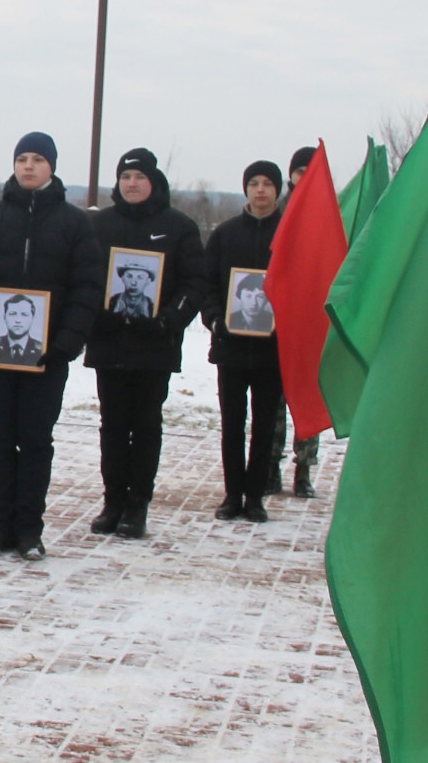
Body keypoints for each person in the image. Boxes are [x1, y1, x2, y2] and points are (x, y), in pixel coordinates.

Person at [0, 132, 102, 560]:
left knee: (35, 442)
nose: (29, 166)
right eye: (22, 159)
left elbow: (86, 289)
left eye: (38, 159)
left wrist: (64, 345)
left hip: (46, 359)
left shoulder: (75, 225)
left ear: (52, 166)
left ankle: (29, 530)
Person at [84, 147, 208, 538]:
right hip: (109, 342)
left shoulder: (178, 226)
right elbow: (84, 276)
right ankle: (113, 502)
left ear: (153, 182)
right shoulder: (99, 225)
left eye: (139, 177)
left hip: (155, 346)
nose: (132, 184)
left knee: (146, 425)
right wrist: (93, 314)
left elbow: (196, 282)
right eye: (125, 178)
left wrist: (171, 319)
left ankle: (138, 505)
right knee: (113, 426)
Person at [203, 159, 285, 523]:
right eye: (254, 183)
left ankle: (255, 496)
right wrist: (216, 320)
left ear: (278, 190)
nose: (261, 190)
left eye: (268, 183)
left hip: (272, 349)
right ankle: (232, 494)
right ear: (246, 189)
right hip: (231, 347)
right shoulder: (225, 234)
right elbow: (207, 285)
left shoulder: (290, 233)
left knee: (265, 425)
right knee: (232, 423)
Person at [269, 145, 324, 497]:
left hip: (310, 322)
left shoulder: (327, 216)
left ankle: (303, 470)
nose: (303, 177)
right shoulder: (278, 212)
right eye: (299, 170)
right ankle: (270, 467)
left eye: (310, 170)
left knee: (306, 402)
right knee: (273, 403)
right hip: (276, 322)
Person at [0, 292, 45, 365]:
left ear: (32, 318)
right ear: (4, 317)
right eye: (13, 314)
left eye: (24, 315)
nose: (18, 320)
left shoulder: (42, 349)